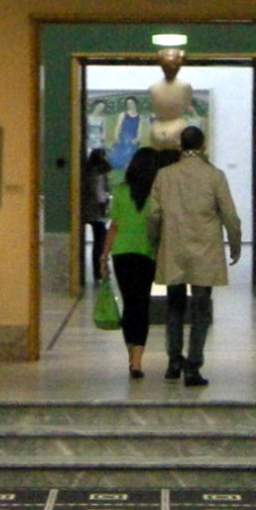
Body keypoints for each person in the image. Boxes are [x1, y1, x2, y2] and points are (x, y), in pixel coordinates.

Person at [146, 124, 242, 385]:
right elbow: (230, 215)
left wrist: (154, 243)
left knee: (174, 306)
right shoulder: (215, 176)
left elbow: (153, 215)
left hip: (174, 246)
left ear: (181, 145)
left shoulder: (165, 175)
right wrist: (235, 243)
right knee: (201, 308)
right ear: (202, 146)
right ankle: (193, 365)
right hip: (205, 249)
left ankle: (173, 361)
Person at [101, 146, 163, 378]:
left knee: (129, 304)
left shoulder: (120, 191)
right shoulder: (156, 195)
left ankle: (130, 355)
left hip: (122, 254)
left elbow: (114, 227)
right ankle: (137, 360)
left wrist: (103, 256)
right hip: (146, 254)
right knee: (142, 305)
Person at [145, 45, 195, 151]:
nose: (170, 68)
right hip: (159, 131)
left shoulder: (184, 86)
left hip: (176, 130)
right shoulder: (154, 87)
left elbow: (186, 103)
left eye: (173, 65)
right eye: (167, 65)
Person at [81, 147, 113, 286]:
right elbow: (99, 193)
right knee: (100, 241)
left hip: (91, 208)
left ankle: (98, 272)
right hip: (95, 209)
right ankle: (99, 272)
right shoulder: (96, 173)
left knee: (99, 240)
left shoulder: (89, 171)